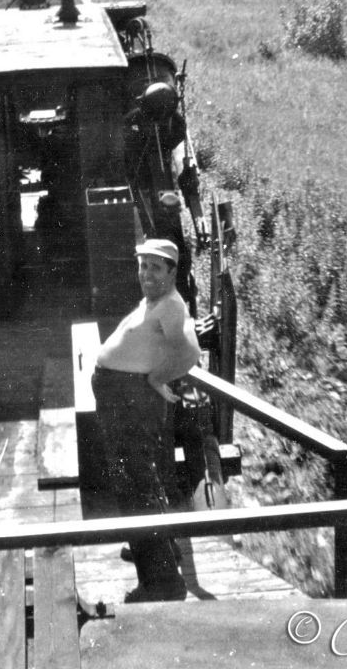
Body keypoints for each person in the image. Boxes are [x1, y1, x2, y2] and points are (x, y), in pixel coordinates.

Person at [92, 238, 201, 602]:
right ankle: (154, 549)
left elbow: (189, 351)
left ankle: (161, 583)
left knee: (135, 487)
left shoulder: (170, 306)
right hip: (122, 395)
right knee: (143, 481)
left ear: (173, 271)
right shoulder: (156, 301)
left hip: (130, 398)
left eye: (156, 267)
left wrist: (156, 378)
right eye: (142, 266)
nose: (146, 274)